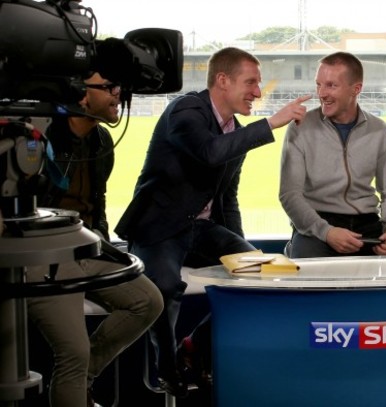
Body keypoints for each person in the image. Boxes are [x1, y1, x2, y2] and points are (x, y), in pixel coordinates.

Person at [114, 47, 310, 397]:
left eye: (259, 83)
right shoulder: (186, 109)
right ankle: (167, 367)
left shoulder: (234, 129)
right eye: (251, 82)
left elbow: (227, 198)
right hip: (159, 225)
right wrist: (272, 122)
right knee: (163, 288)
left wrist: (241, 252)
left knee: (264, 279)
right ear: (222, 80)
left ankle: (193, 348)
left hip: (201, 229)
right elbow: (209, 151)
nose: (258, 92)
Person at [26, 72, 164, 407]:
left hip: (88, 245)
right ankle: (76, 381)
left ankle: (81, 379)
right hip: (43, 256)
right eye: (110, 88)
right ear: (80, 93)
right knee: (74, 351)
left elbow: (96, 205)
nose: (119, 94)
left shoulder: (101, 142)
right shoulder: (37, 139)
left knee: (148, 302)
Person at [279, 51, 386, 258]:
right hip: (317, 227)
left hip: (368, 225)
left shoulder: (380, 131)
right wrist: (327, 232)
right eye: (319, 84)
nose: (322, 93)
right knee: (306, 280)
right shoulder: (300, 128)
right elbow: (289, 195)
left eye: (331, 85)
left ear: (356, 89)